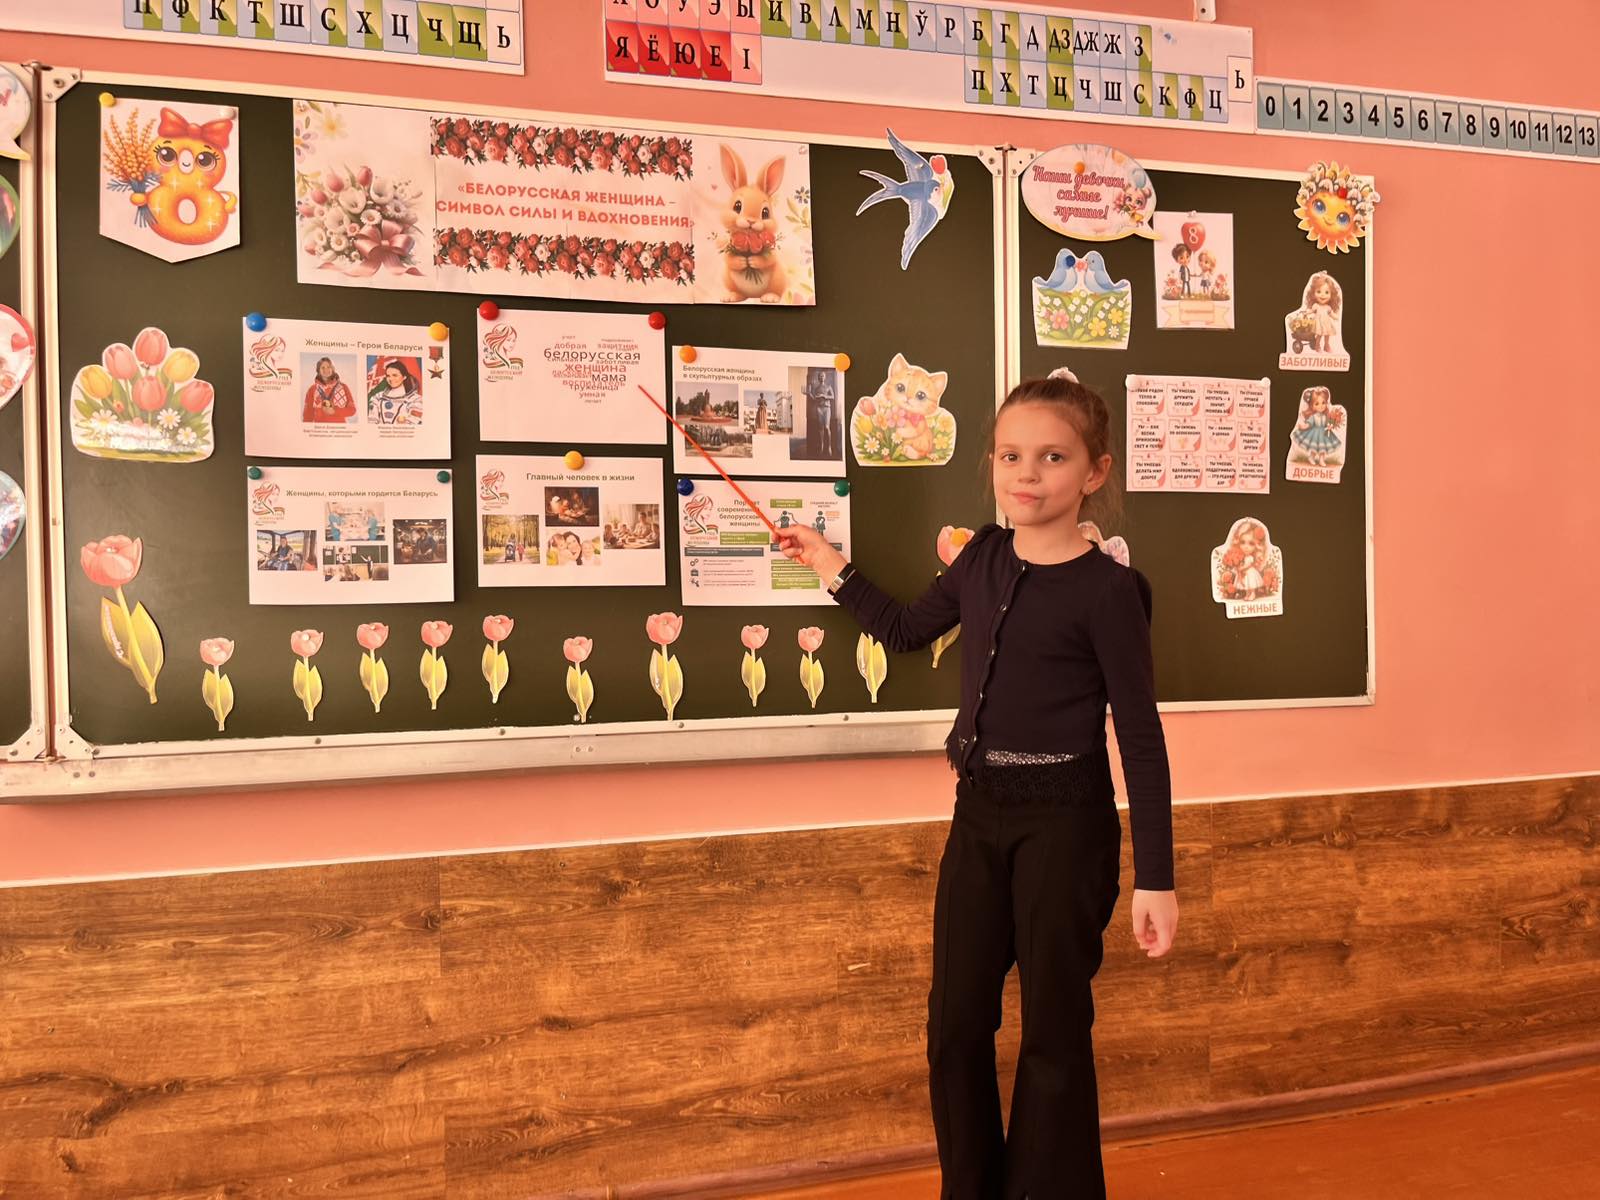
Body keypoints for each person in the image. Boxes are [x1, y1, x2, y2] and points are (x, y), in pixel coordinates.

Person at [778, 374, 1178, 1198]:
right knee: (955, 1025)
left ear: (1095, 473)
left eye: (1053, 457)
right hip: (980, 815)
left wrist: (1157, 877)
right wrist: (827, 563)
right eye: (1010, 456)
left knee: (1054, 1035)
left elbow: (1140, 737)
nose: (1026, 474)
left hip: (1067, 826)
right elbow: (904, 629)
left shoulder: (1110, 592)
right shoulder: (985, 557)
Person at [302, 357, 356, 424]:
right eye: (323, 367)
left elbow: (352, 410)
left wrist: (335, 411)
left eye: (328, 367)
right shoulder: (312, 389)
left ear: (332, 369)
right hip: (319, 428)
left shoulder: (343, 387)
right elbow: (307, 414)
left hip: (339, 428)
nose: (326, 370)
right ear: (318, 370)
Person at [368, 359, 421, 425]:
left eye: (395, 375)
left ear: (404, 377)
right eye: (388, 376)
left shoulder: (415, 399)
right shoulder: (377, 397)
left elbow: (414, 423)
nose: (391, 379)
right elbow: (371, 421)